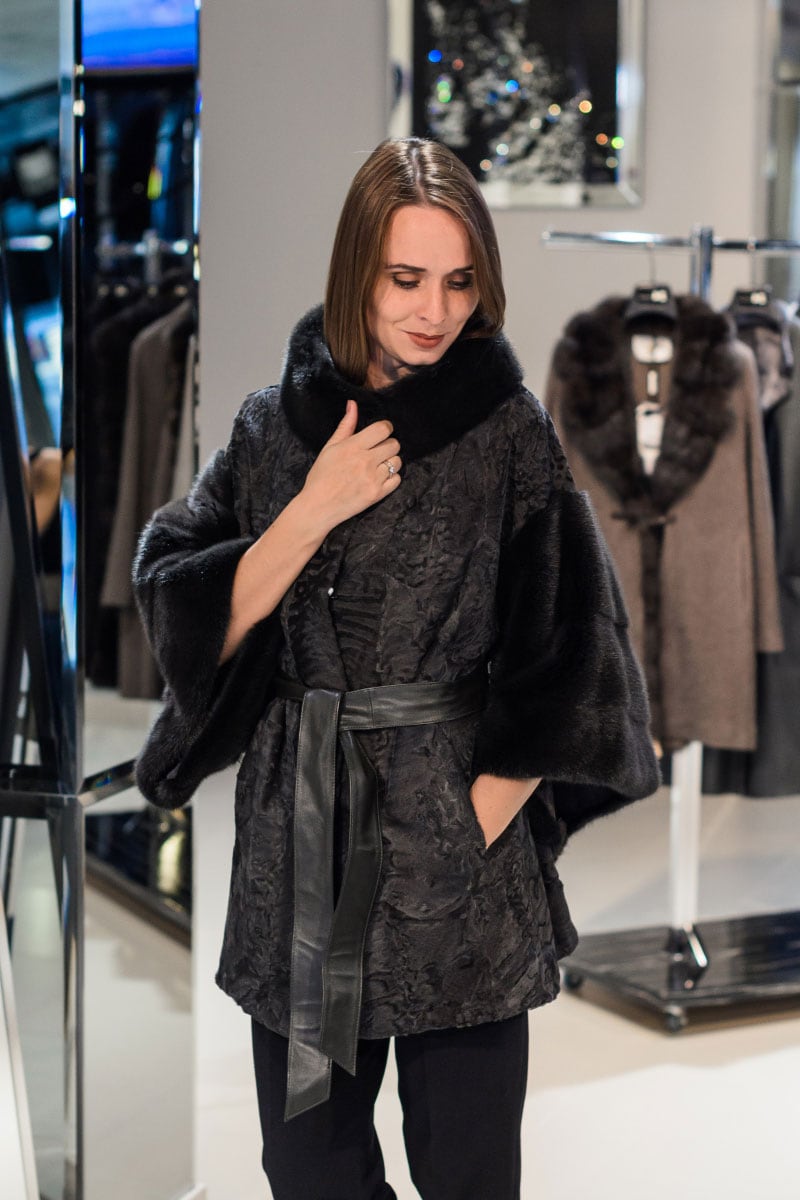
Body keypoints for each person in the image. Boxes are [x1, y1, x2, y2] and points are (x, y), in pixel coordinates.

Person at [133, 138, 659, 1200]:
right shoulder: (271, 427)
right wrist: (312, 506)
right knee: (308, 1170)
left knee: (467, 1172)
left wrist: (473, 821)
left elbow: (575, 651)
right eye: (405, 278)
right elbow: (185, 611)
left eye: (459, 281)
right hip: (300, 846)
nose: (434, 311)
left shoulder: (507, 432)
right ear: (355, 273)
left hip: (456, 858)